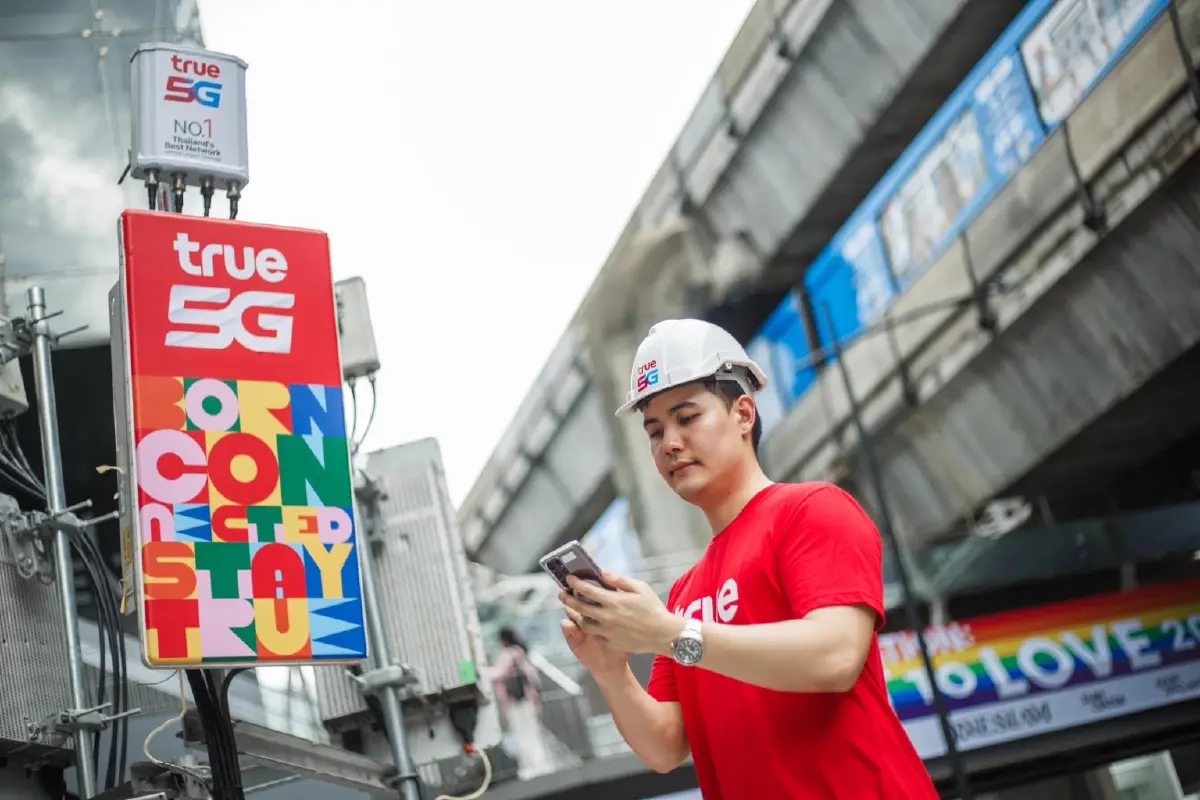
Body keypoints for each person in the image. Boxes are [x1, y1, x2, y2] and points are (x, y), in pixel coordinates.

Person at [558, 319, 937, 798]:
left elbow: (837, 655)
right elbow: (665, 747)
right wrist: (610, 671)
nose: (669, 443)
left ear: (743, 413)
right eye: (654, 431)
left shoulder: (812, 510)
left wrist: (670, 634)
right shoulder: (683, 595)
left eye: (687, 417)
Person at [487, 627, 552, 779]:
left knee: (521, 732)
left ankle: (530, 765)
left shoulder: (508, 653)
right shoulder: (520, 652)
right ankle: (540, 763)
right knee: (532, 730)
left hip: (516, 701)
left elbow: (499, 672)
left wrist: (481, 672)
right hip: (528, 699)